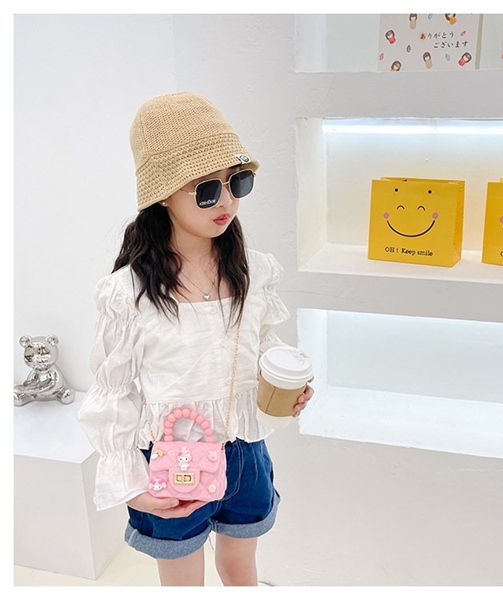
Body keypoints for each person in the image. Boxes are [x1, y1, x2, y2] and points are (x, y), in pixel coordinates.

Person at [78, 92, 313, 586]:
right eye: (206, 189)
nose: (226, 201)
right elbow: (112, 392)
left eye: (237, 181)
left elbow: (260, 346)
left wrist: (283, 382)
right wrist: (129, 482)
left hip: (247, 452)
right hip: (173, 457)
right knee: (183, 583)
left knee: (241, 572)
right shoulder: (128, 293)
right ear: (163, 193)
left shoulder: (254, 271)